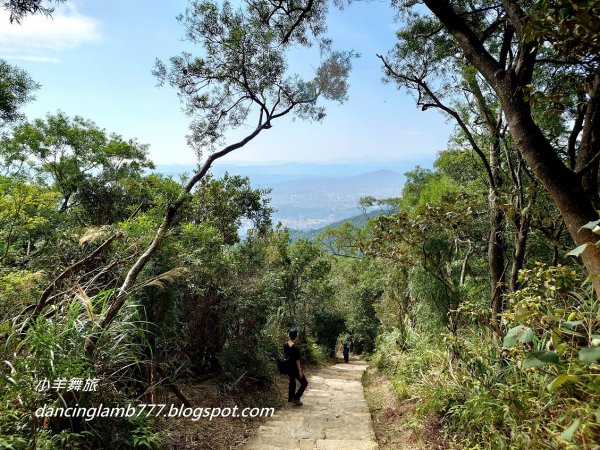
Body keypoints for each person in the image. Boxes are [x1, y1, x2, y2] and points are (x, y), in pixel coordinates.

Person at [283, 327, 308, 406]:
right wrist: (300, 371)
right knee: (304, 383)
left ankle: (291, 398)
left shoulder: (285, 345)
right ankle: (296, 398)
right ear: (296, 336)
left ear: (289, 335)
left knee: (292, 382)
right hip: (295, 367)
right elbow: (297, 360)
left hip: (288, 367)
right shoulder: (296, 348)